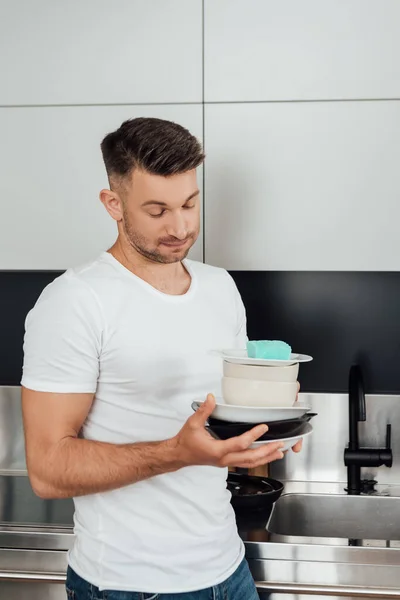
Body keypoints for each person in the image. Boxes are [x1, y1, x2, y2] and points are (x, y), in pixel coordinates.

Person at [21, 117, 302, 600]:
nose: (181, 226)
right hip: (126, 585)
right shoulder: (75, 301)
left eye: (190, 203)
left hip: (227, 569)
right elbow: (47, 470)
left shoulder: (220, 288)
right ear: (113, 204)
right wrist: (175, 453)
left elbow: (220, 413)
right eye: (157, 211)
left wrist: (272, 422)